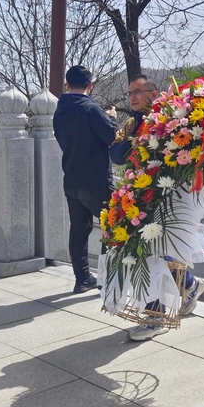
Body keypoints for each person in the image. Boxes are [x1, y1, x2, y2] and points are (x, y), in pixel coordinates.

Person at [108, 74, 204, 341]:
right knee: (149, 252)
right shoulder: (132, 123)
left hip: (170, 192)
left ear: (153, 94)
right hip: (142, 191)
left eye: (137, 92)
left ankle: (157, 316)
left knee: (154, 252)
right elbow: (115, 155)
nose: (132, 97)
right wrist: (135, 139)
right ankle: (188, 285)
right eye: (130, 93)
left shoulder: (172, 116)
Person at [53, 65, 118, 294]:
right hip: (97, 181)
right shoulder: (91, 109)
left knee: (79, 231)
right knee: (113, 228)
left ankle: (82, 279)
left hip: (72, 180)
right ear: (90, 85)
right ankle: (107, 279)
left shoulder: (59, 112)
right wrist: (111, 118)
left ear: (67, 85)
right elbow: (112, 137)